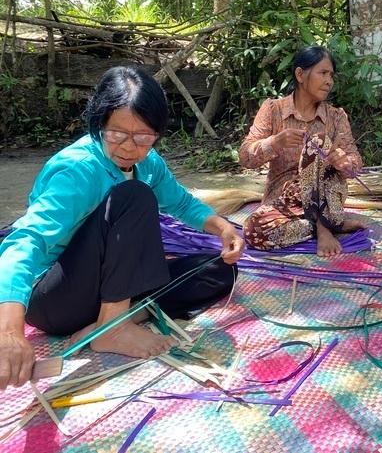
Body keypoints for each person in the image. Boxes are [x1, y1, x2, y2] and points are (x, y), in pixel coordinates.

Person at [0, 67, 244, 391]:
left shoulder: (148, 163)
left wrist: (222, 227)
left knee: (218, 271)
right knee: (133, 197)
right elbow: (27, 242)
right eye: (117, 134)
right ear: (100, 124)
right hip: (55, 298)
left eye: (143, 136)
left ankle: (111, 321)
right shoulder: (77, 170)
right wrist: (9, 332)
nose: (130, 147)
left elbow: (181, 203)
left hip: (110, 289)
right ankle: (112, 328)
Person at [239, 45, 365, 257]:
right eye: (323, 73)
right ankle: (326, 226)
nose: (329, 81)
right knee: (254, 232)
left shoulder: (336, 117)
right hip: (286, 204)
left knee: (318, 143)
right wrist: (274, 143)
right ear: (300, 74)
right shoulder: (273, 110)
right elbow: (245, 156)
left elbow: (355, 164)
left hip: (328, 200)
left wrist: (344, 162)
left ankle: (326, 226)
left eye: (331, 75)